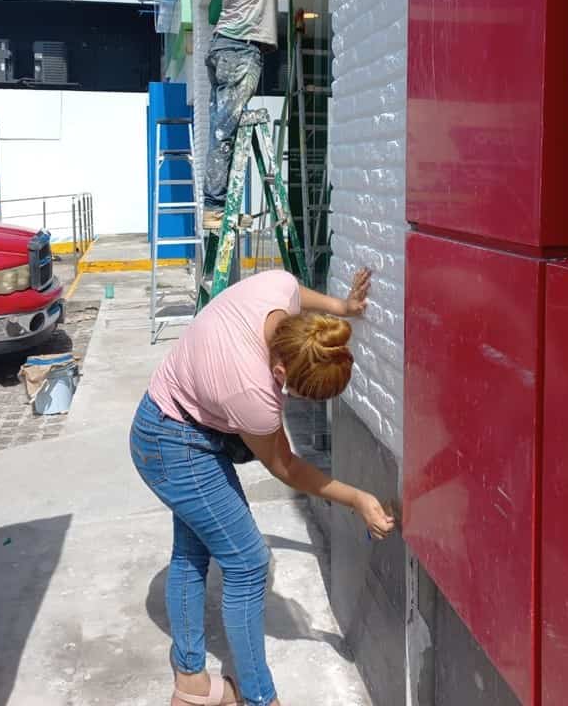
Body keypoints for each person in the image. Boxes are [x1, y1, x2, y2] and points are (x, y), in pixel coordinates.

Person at [130, 267, 396, 706]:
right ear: (277, 368)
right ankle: (259, 699)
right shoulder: (252, 393)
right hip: (172, 443)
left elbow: (298, 292)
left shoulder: (276, 287)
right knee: (249, 565)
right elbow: (285, 466)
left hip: (170, 415)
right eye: (297, 392)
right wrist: (357, 498)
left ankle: (191, 685)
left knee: (194, 550)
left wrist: (342, 308)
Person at [204, 0, 305, 228]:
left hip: (222, 46)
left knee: (221, 126)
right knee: (225, 130)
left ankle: (217, 206)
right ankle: (215, 209)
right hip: (241, 47)